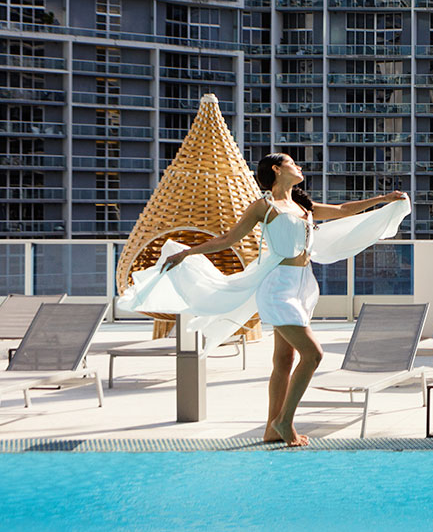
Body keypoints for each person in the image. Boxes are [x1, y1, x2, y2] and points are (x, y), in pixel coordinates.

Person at [122, 153, 410, 447]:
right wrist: (186, 253)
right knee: (313, 355)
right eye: (292, 163)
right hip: (278, 287)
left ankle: (272, 429)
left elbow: (343, 210)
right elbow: (227, 240)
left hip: (303, 287)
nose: (298, 166)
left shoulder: (303, 207)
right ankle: (284, 421)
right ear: (276, 169)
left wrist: (384, 199)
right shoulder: (264, 206)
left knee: (285, 359)